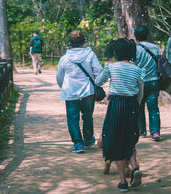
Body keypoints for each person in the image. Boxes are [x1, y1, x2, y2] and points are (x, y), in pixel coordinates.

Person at [95, 38, 143, 192]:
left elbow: (98, 82)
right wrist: (135, 103)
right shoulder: (137, 69)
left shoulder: (111, 67)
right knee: (129, 138)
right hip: (132, 105)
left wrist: (105, 69)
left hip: (116, 105)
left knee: (116, 141)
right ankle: (135, 168)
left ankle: (123, 182)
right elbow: (140, 93)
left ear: (115, 53)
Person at [56, 30, 102, 154]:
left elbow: (59, 78)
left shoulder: (64, 58)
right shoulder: (90, 55)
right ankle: (87, 139)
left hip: (70, 93)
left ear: (70, 43)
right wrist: (96, 84)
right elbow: (98, 72)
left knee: (72, 118)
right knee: (87, 117)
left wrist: (65, 87)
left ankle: (77, 144)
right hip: (88, 92)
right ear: (84, 42)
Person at [134, 25, 163, 141]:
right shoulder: (156, 48)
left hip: (140, 83)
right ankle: (155, 132)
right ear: (147, 35)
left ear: (136, 37)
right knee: (153, 108)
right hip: (154, 82)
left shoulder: (135, 49)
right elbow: (162, 62)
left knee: (139, 107)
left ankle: (141, 130)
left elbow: (133, 65)